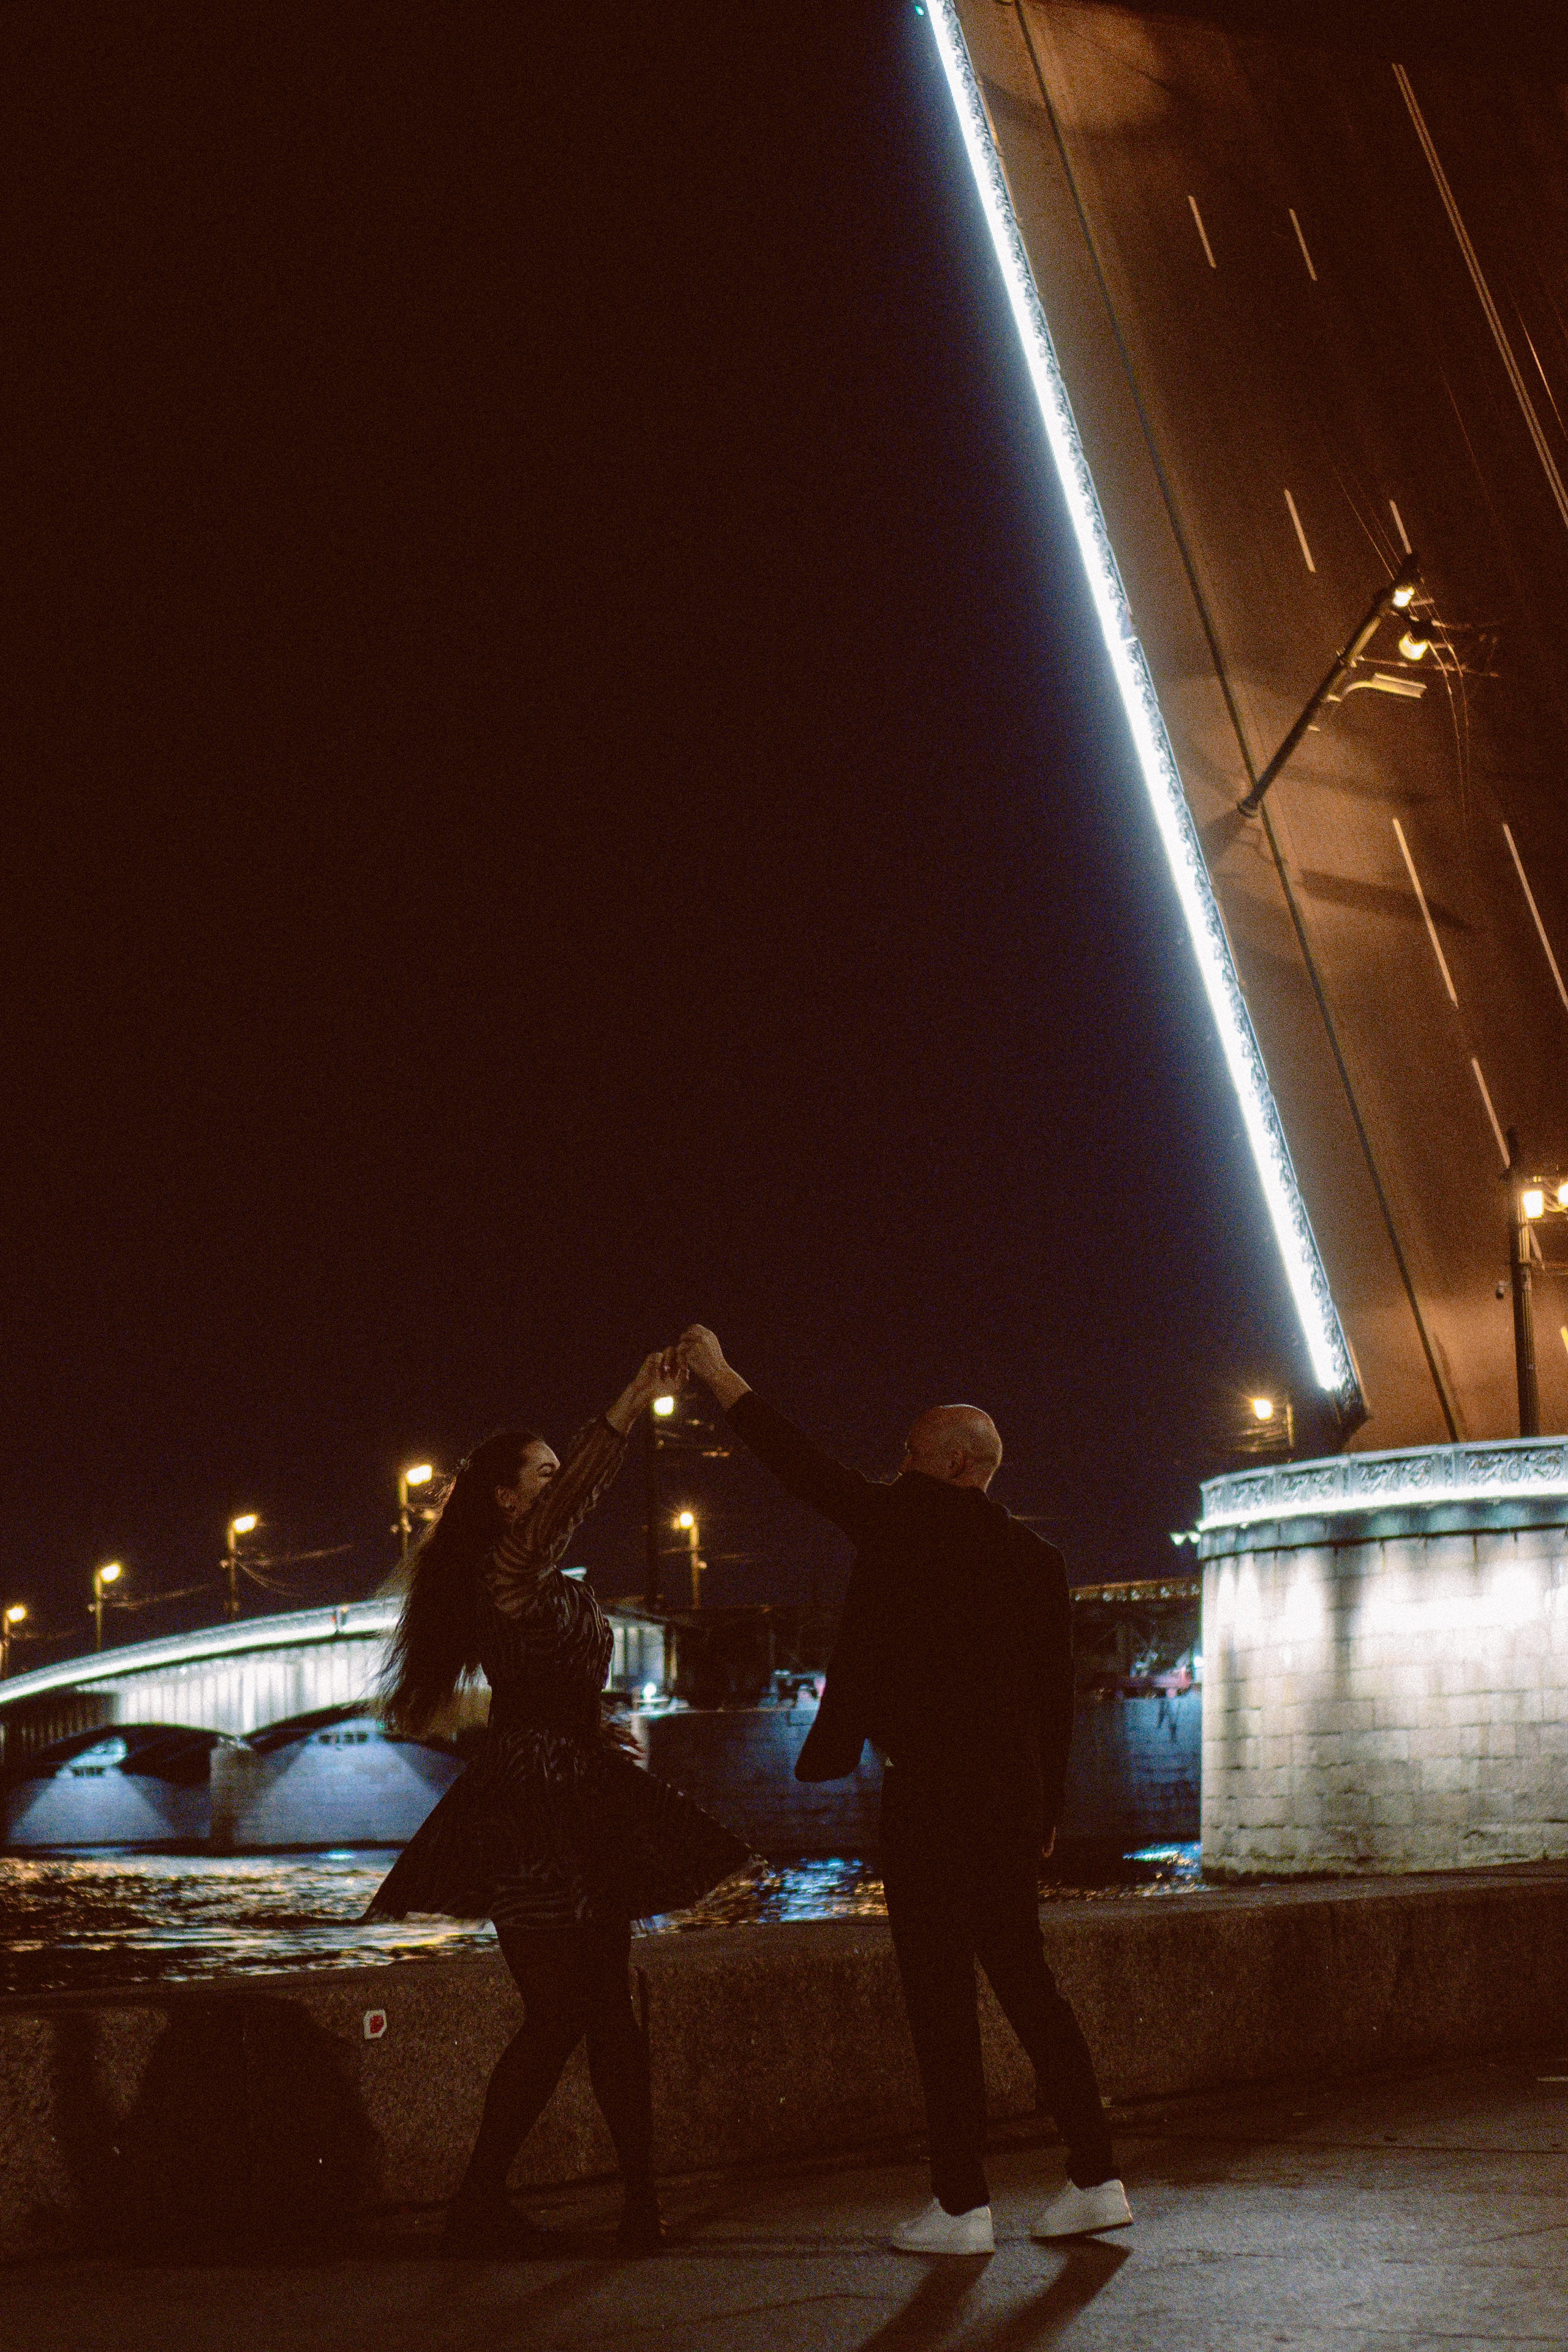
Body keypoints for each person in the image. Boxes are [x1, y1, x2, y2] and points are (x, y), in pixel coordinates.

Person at [678, 1324, 1131, 2256]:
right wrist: (1049, 1812)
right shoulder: (1039, 1563)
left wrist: (722, 1377)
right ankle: (1097, 2177)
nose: (897, 1463)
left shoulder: (902, 1520)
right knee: (1027, 1980)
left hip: (929, 1798)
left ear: (957, 1465)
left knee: (939, 1997)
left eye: (913, 1451)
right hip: (1011, 1804)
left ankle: (962, 2206)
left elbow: (801, 1467)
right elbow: (1056, 1700)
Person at [368, 1348, 753, 2255]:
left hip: (574, 1788)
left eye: (554, 1472)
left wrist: (596, 1719)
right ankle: (486, 2202)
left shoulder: (537, 1583)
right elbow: (584, 1486)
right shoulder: (506, 1567)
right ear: (506, 1500)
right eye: (540, 1475)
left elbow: (555, 1672)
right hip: (533, 1803)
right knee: (562, 2011)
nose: (557, 1485)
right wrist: (628, 1399)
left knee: (602, 2006)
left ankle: (636, 2206)